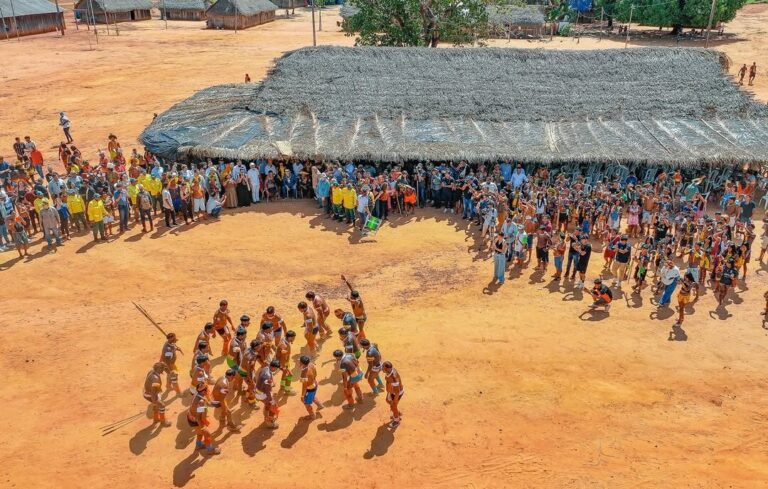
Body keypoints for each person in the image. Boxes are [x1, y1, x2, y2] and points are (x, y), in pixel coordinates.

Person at [187, 382, 221, 455]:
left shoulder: (198, 394)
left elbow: (206, 402)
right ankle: (210, 450)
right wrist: (203, 427)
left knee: (199, 433)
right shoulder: (201, 402)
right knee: (207, 433)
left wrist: (213, 404)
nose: (208, 390)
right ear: (204, 391)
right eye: (207, 389)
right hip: (196, 419)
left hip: (191, 417)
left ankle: (198, 445)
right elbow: (199, 417)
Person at [143, 362, 172, 427]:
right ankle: (163, 422)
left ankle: (156, 419)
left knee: (157, 406)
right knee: (162, 405)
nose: (163, 370)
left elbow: (165, 367)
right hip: (151, 394)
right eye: (162, 369)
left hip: (149, 392)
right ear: (159, 369)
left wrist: (168, 371)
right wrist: (155, 401)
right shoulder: (155, 379)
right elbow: (153, 393)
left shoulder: (152, 371)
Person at [255, 360, 281, 429]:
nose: (276, 370)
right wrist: (271, 400)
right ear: (274, 367)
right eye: (276, 368)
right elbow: (267, 390)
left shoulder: (265, 368)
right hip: (262, 394)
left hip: (258, 391)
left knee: (268, 405)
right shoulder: (268, 376)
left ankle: (266, 415)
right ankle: (270, 423)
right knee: (273, 407)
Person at [382, 361, 404, 428]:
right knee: (388, 400)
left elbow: (397, 391)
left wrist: (395, 401)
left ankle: (396, 421)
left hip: (396, 394)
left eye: (383, 367)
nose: (382, 368)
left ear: (386, 369)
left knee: (393, 407)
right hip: (391, 392)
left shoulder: (393, 378)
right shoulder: (390, 371)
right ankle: (397, 413)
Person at [275, 330, 296, 394]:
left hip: (284, 362)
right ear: (290, 337)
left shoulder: (284, 339)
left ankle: (282, 386)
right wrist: (284, 367)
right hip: (282, 363)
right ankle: (287, 390)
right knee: (289, 375)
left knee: (284, 374)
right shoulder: (285, 345)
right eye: (293, 338)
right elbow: (283, 356)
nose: (294, 339)